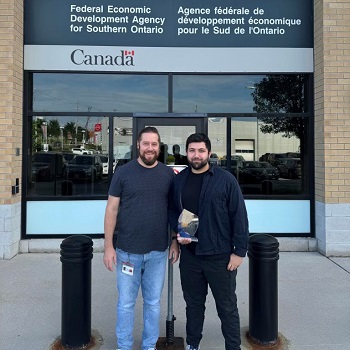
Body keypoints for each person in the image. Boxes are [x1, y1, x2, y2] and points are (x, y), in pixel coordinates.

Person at [169, 133, 249, 350]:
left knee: (227, 307)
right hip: (191, 257)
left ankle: (233, 347)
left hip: (220, 258)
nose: (196, 155)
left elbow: (239, 216)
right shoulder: (180, 180)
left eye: (201, 150)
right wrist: (177, 237)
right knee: (193, 306)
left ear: (209, 153)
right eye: (192, 150)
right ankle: (193, 344)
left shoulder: (225, 180)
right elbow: (175, 211)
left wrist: (239, 251)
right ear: (186, 153)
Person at [104, 126, 179, 350]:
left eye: (154, 144)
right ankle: (124, 346)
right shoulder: (124, 172)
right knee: (126, 304)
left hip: (158, 252)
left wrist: (175, 239)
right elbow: (111, 209)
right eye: (145, 143)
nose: (149, 148)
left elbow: (174, 210)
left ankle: (149, 346)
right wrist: (108, 246)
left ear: (159, 146)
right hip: (127, 252)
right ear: (137, 145)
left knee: (153, 303)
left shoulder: (167, 174)